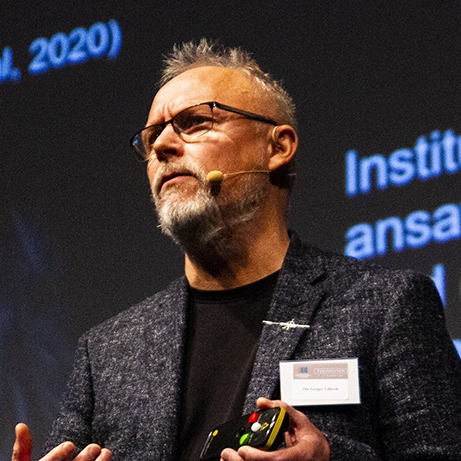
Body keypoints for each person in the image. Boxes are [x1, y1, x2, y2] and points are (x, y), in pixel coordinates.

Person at [12, 39, 461, 461]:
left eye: (195, 122)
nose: (162, 146)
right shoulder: (106, 352)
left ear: (277, 147)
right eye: (151, 139)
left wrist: (332, 456)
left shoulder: (384, 307)